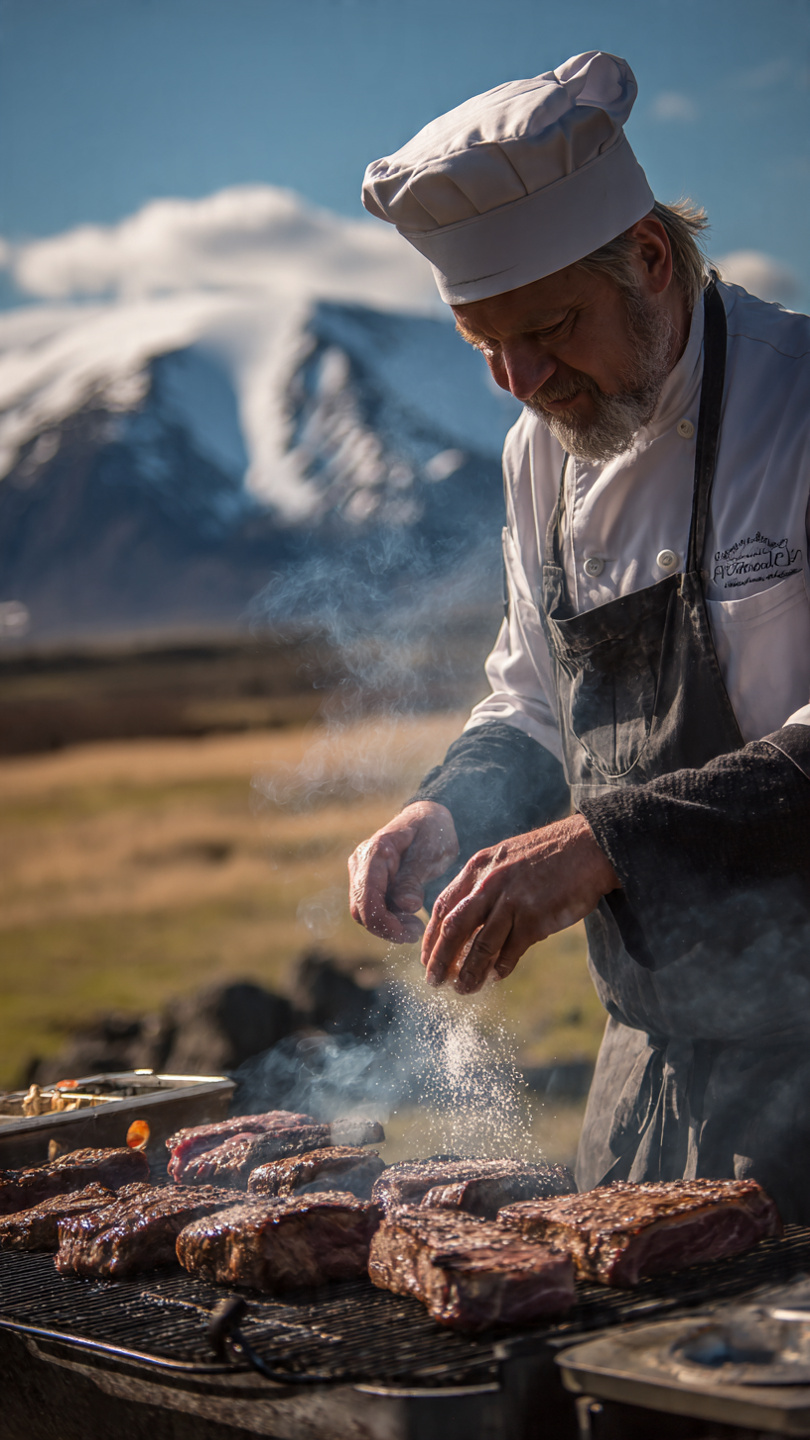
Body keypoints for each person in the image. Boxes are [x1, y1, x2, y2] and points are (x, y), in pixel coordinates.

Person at [349, 51, 810, 1221]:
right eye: (482, 344)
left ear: (649, 258)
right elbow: (534, 698)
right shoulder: (538, 455)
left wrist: (608, 842)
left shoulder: (800, 405)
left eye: (549, 328)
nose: (520, 380)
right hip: (649, 1053)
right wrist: (449, 809)